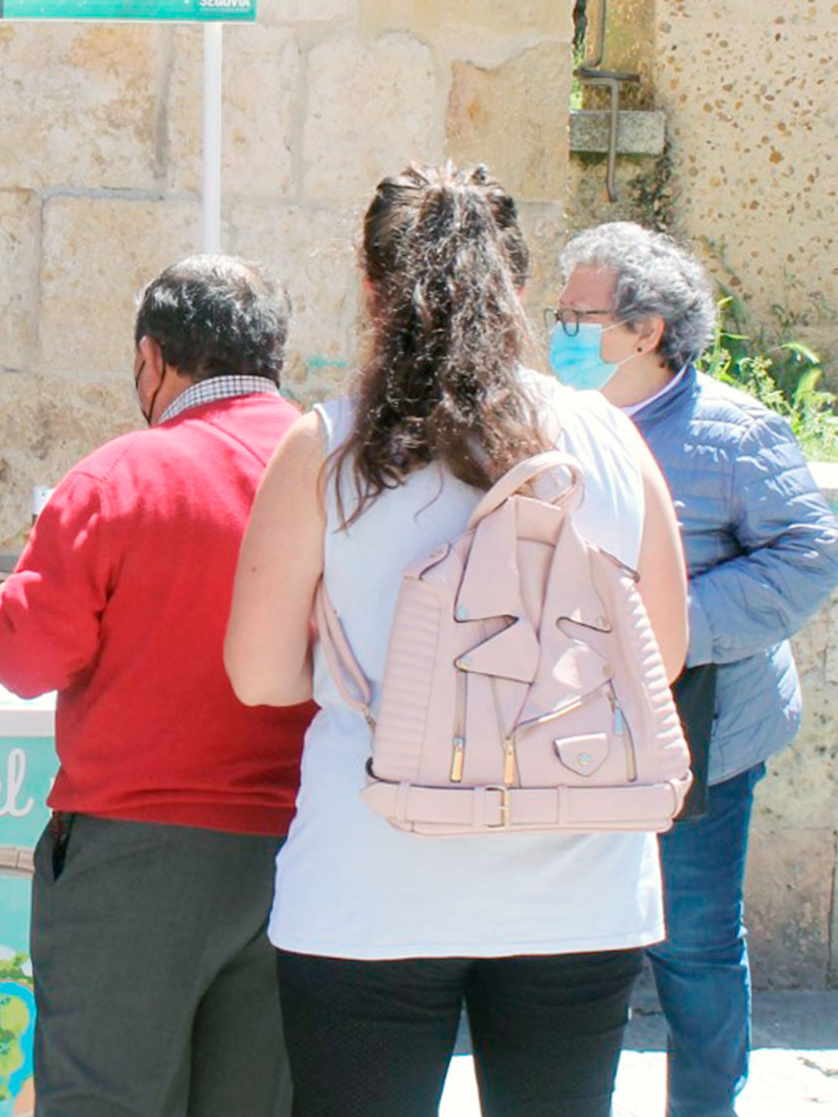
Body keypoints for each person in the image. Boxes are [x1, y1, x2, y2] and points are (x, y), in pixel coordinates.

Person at [223, 163, 691, 1117]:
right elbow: (665, 655)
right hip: (582, 879)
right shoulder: (606, 435)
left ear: (370, 287)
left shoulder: (329, 446)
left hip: (372, 874)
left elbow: (260, 676)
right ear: (515, 289)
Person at [0, 257, 313, 1117]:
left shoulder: (122, 476)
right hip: (307, 844)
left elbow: (23, 658)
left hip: (136, 853)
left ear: (150, 359)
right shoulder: (336, 467)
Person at [551, 222, 838, 1117]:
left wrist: (664, 631)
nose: (557, 329)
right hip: (566, 734)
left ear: (646, 331)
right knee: (567, 947)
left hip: (702, 737)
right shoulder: (543, 419)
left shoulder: (735, 434)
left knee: (697, 944)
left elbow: (807, 555)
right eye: (556, 311)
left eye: (578, 313)